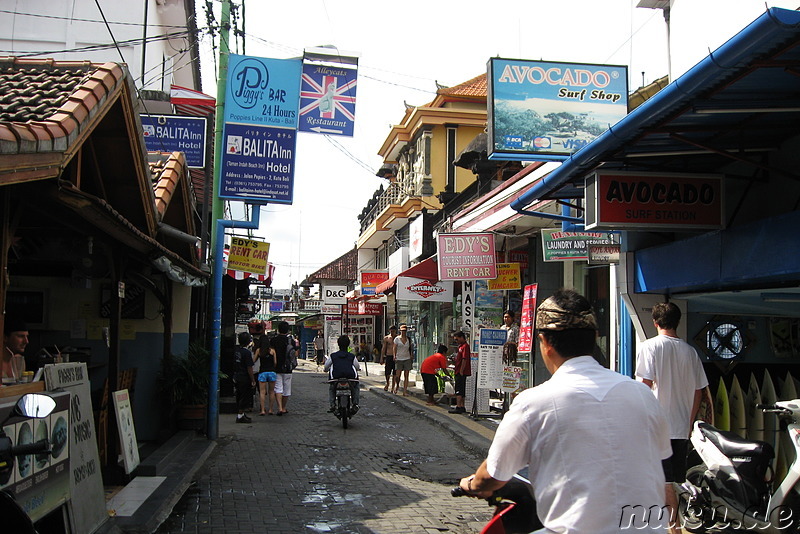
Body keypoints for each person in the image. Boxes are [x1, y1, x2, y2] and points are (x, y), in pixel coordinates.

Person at [459, 289, 671, 533]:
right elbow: (660, 459)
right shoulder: (643, 395)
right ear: (595, 337)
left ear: (545, 343)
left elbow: (492, 475)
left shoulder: (532, 403)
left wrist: (473, 484)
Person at [635, 301, 709, 534]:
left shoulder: (650, 347)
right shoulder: (690, 352)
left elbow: (643, 387)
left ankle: (673, 529)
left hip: (657, 427)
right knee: (670, 481)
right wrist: (688, 422)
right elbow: (699, 391)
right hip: (680, 426)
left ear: (655, 323)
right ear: (678, 322)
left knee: (663, 482)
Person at [324, 335, 360, 414]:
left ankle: (332, 405)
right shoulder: (351, 356)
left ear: (338, 344)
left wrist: (325, 370)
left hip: (335, 378)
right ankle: (355, 404)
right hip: (350, 378)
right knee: (356, 387)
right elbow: (357, 366)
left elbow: (326, 366)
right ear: (348, 344)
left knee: (332, 389)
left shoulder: (333, 356)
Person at [270, 321, 294, 416]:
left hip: (277, 367)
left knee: (278, 388)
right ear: (287, 330)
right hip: (288, 368)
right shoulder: (290, 340)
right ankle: (284, 408)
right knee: (286, 389)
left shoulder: (273, 340)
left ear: (278, 329)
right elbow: (295, 353)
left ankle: (279, 408)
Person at [232, 331, 256, 424]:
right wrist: (252, 380)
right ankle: (240, 415)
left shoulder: (237, 351)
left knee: (239, 395)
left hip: (237, 376)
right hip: (244, 377)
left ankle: (241, 414)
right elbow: (249, 367)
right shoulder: (247, 353)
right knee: (244, 396)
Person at [254, 330, 278, 416]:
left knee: (262, 392)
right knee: (271, 391)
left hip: (262, 372)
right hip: (272, 372)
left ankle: (263, 410)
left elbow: (254, 360)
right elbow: (275, 362)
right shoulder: (272, 351)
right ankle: (271, 409)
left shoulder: (259, 350)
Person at [450, 331, 471, 414]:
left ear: (462, 337)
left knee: (459, 389)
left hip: (461, 372)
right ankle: (461, 406)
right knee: (460, 388)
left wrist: (461, 370)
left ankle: (459, 406)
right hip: (458, 370)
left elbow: (464, 359)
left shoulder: (465, 346)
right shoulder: (460, 346)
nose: (456, 341)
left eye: (457, 339)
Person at [2, 318, 28, 385]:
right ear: (5, 337)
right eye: (20, 336)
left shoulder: (19, 361)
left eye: (26, 336)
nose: (26, 341)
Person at [392, 324, 414, 396]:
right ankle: (397, 385)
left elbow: (410, 348)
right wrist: (394, 356)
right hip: (399, 358)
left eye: (404, 331)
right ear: (400, 331)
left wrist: (411, 355)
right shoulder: (397, 339)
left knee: (406, 375)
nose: (403, 332)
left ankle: (405, 391)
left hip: (407, 358)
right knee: (398, 375)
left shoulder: (409, 339)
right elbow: (394, 348)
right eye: (402, 331)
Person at [380, 325, 397, 392]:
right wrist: (382, 357)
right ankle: (387, 383)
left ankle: (393, 387)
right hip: (389, 356)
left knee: (395, 373)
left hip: (395, 356)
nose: (392, 332)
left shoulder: (398, 338)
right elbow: (384, 348)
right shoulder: (387, 338)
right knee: (387, 372)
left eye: (393, 331)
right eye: (391, 331)